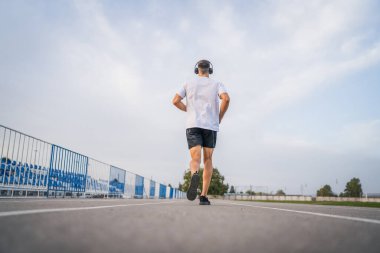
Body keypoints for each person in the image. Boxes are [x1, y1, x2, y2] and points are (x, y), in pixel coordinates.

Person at [172, 59, 230, 205]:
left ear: (196, 70)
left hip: (193, 125)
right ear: (209, 70)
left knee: (195, 158)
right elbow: (226, 99)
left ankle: (194, 174)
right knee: (208, 160)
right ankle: (203, 196)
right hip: (210, 126)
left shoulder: (188, 83)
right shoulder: (217, 84)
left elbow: (175, 100)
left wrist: (188, 110)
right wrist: (219, 117)